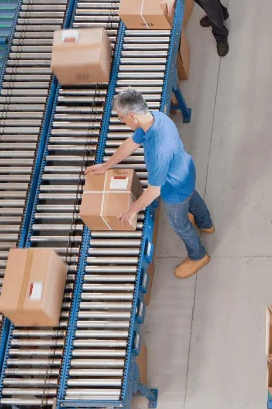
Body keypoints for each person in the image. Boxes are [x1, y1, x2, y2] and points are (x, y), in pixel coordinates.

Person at [86, 89, 214, 279]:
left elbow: (154, 192)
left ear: (132, 116)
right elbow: (131, 143)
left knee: (179, 223)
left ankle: (198, 256)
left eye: (121, 119)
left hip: (174, 190)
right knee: (192, 197)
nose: (123, 122)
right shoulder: (156, 118)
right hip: (185, 171)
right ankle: (206, 224)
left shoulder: (158, 150)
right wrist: (106, 165)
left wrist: (130, 211)